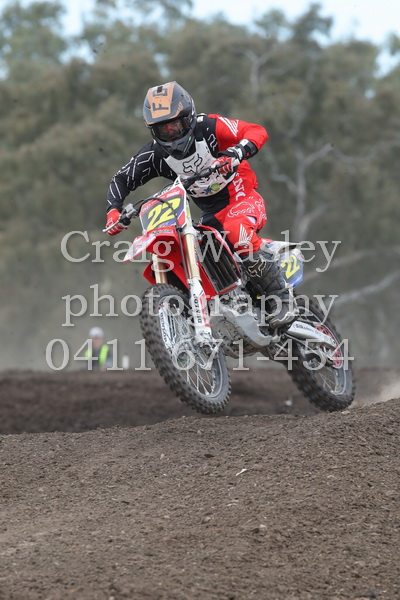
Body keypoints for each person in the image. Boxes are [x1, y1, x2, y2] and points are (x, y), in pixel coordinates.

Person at [105, 81, 295, 328]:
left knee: (237, 232)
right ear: (153, 131)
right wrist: (113, 211)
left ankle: (280, 299)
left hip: (243, 197)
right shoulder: (154, 154)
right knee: (196, 250)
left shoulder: (209, 128)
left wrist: (236, 152)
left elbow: (256, 131)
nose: (172, 134)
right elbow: (121, 178)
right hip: (211, 214)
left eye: (176, 125)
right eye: (163, 129)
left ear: (190, 117)